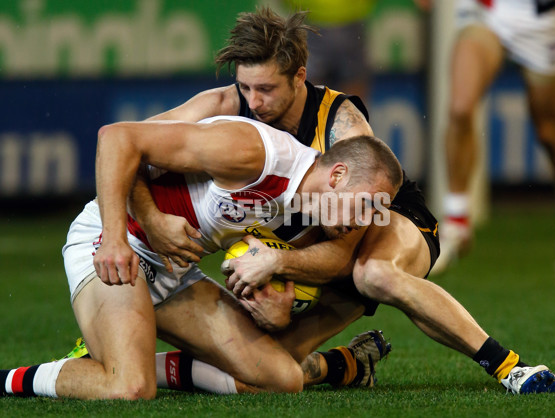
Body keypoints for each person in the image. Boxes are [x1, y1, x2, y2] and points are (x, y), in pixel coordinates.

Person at [125, 7, 555, 394]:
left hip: (380, 223)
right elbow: (127, 149)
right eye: (247, 88)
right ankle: (343, 367)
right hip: (300, 248)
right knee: (260, 374)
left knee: (373, 274)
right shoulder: (222, 105)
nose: (254, 103)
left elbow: (341, 253)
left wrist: (276, 268)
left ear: (300, 75)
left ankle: (510, 368)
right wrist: (151, 217)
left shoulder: (344, 127)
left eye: (267, 90)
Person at [0, 115, 401, 400]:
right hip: (115, 246)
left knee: (280, 378)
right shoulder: (256, 154)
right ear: (337, 176)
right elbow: (117, 138)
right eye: (365, 205)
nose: (364, 221)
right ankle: (8, 380)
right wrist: (124, 234)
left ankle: (120, 352)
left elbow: (262, 253)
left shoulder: (302, 204)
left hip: (174, 273)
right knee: (129, 390)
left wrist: (273, 311)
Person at [425, 0, 555, 286]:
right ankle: (457, 221)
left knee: (550, 133)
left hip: (537, 20)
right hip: (485, 11)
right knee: (460, 108)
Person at [281, 0, 375, 100]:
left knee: (311, 83)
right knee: (353, 80)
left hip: (312, 18)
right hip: (350, 17)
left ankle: (312, 113)